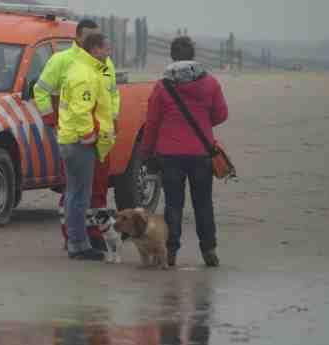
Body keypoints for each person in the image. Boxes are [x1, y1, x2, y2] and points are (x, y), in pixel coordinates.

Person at [139, 36, 228, 267]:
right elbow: (221, 114)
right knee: (203, 204)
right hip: (201, 153)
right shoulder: (210, 83)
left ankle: (171, 251)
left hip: (169, 155)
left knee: (173, 205)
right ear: (193, 55)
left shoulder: (162, 86)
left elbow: (152, 123)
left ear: (172, 56)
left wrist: (147, 152)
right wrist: (202, 123)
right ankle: (209, 250)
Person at [33, 19, 120, 251]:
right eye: (91, 38)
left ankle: (93, 233)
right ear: (79, 37)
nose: (95, 42)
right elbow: (40, 91)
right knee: (76, 189)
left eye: (98, 38)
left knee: (98, 188)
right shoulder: (63, 61)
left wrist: (113, 119)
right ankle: (73, 236)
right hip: (78, 135)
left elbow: (112, 93)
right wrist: (51, 119)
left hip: (101, 136)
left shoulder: (104, 64)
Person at [57, 33, 113, 260]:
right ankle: (79, 243)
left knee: (74, 192)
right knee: (81, 195)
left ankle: (75, 241)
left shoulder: (81, 69)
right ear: (95, 49)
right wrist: (89, 136)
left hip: (70, 138)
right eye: (105, 48)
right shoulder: (85, 74)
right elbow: (82, 109)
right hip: (79, 142)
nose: (108, 52)